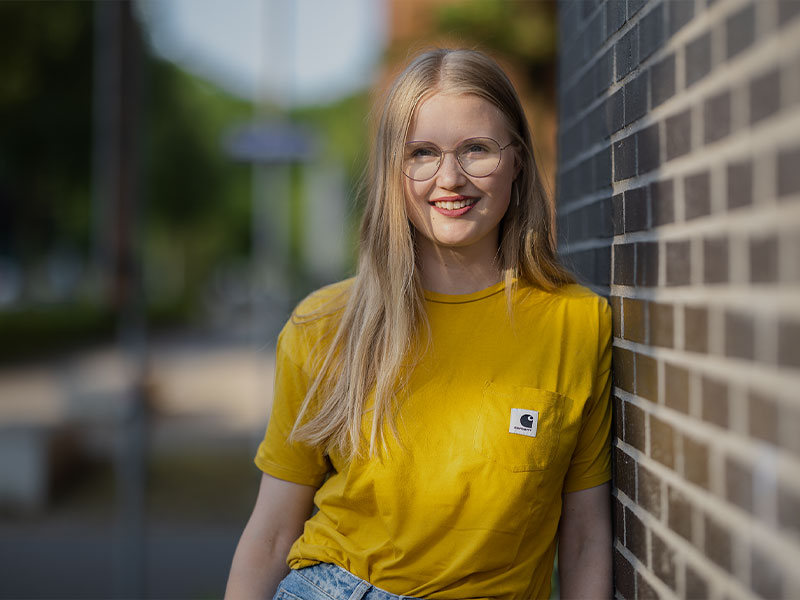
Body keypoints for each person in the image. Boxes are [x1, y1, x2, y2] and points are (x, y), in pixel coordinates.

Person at [225, 48, 612, 600]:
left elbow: (584, 539)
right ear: (393, 170)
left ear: (518, 160)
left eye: (476, 149)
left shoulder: (578, 323)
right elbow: (271, 534)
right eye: (421, 153)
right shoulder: (323, 327)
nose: (449, 179)